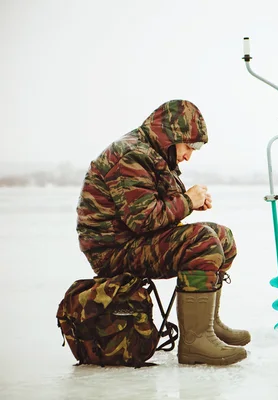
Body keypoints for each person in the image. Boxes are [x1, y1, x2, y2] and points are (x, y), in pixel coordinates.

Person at [75, 99, 249, 366]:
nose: (189, 155)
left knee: (222, 237)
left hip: (133, 242)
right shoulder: (131, 155)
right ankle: (195, 343)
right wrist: (187, 201)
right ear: (172, 136)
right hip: (114, 251)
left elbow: (152, 206)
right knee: (202, 241)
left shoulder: (150, 152)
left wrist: (188, 203)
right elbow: (142, 220)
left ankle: (208, 325)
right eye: (190, 146)